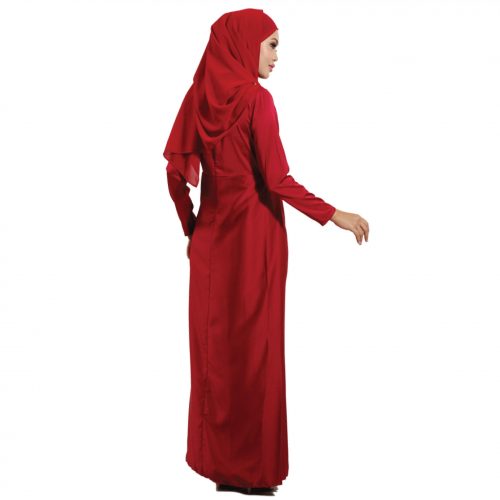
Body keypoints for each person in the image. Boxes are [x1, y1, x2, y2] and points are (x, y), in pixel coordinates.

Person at [163, 8, 369, 496]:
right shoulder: (258, 100)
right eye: (272, 44)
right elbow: (276, 179)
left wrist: (191, 226)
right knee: (256, 354)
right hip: (255, 241)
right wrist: (333, 214)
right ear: (245, 45)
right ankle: (255, 474)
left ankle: (223, 469)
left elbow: (174, 172)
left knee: (215, 355)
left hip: (211, 243)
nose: (278, 56)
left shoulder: (198, 96)